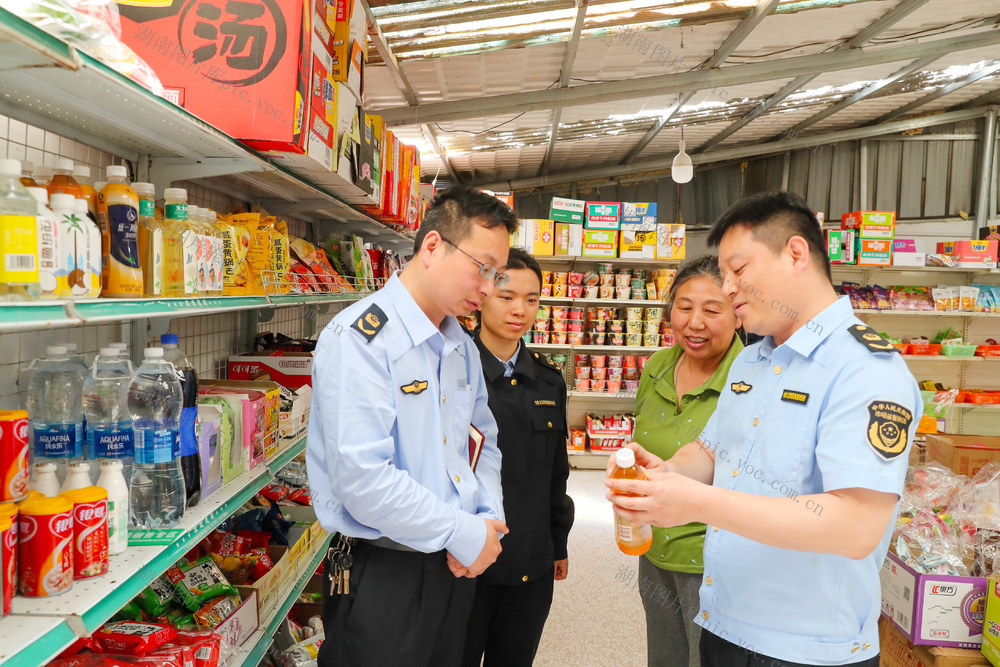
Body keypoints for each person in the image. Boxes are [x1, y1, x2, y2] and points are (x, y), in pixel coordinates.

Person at [607, 191, 922, 666]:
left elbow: (856, 526)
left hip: (805, 649)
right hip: (724, 624)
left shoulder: (865, 370)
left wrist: (696, 503)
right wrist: (666, 473)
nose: (728, 287)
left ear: (796, 253)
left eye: (738, 271)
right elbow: (714, 451)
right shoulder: (753, 360)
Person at [306, 186, 517, 666]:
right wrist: (462, 533)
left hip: (454, 564)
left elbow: (483, 441)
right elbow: (364, 480)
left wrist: (486, 522)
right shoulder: (361, 339)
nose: (489, 287)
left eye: (497, 273)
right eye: (481, 267)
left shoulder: (459, 344)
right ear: (433, 246)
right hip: (385, 571)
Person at [462, 248, 575, 667]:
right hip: (465, 561)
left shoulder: (548, 380)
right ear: (482, 294)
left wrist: (557, 542)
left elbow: (555, 474)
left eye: (532, 299)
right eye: (507, 296)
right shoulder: (452, 373)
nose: (520, 310)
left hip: (530, 562)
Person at [631, 255, 743, 667]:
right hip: (653, 548)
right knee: (665, 657)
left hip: (713, 560)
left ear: (738, 315)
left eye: (712, 310)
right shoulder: (659, 366)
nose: (695, 322)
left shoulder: (747, 378)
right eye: (684, 307)